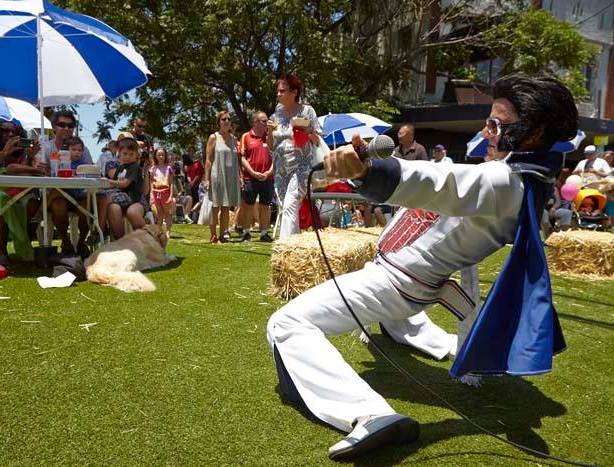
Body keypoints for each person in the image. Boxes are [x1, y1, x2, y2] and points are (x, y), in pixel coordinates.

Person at [266, 74, 576, 460]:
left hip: (396, 283)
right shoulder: (519, 180)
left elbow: (438, 182)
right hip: (403, 281)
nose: (485, 130)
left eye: (495, 124)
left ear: (534, 132)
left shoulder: (506, 183)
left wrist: (368, 172)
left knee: (286, 323)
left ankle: (370, 414)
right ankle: (410, 335)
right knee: (395, 327)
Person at [0, 121, 43, 266]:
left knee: (34, 203)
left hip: (18, 190)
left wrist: (30, 156)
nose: (10, 134)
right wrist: (4, 153)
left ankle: (25, 243)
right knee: (1, 201)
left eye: (14, 132)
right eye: (4, 131)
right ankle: (2, 252)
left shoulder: (21, 150)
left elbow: (21, 172)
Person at [267, 73, 322, 239]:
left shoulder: (307, 111)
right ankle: (293, 245)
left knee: (291, 204)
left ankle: (284, 246)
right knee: (287, 207)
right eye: (278, 91)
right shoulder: (276, 115)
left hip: (302, 166)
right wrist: (269, 132)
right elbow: (271, 146)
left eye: (282, 91)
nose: (278, 94)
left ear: (294, 92)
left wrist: (307, 130)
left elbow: (318, 140)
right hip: (281, 169)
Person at [42, 110, 92, 254]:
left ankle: (81, 242)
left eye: (70, 126)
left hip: (78, 194)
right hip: (57, 195)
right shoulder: (46, 148)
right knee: (58, 204)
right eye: (62, 124)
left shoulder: (82, 149)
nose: (66, 128)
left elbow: (91, 172)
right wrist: (38, 165)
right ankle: (66, 242)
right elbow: (37, 166)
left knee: (87, 206)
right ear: (54, 127)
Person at [203, 110, 240, 243]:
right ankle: (213, 235)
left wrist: (240, 177)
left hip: (231, 176)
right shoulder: (214, 137)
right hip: (217, 175)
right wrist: (206, 178)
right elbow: (208, 159)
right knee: (215, 206)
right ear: (218, 122)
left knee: (226, 207)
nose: (226, 122)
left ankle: (223, 235)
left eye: (229, 119)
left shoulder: (234, 139)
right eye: (223, 119)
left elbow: (238, 160)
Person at [99, 137, 146, 239]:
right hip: (122, 196)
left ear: (136, 155)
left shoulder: (134, 167)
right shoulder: (121, 167)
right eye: (125, 154)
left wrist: (108, 181)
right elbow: (115, 183)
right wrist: (102, 184)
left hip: (131, 197)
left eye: (131, 154)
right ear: (119, 153)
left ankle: (100, 229)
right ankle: (118, 239)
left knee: (106, 199)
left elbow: (124, 184)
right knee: (102, 197)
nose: (127, 157)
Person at [240, 111, 275, 242]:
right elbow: (242, 158)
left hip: (268, 177)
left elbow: (275, 156)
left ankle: (264, 233)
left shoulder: (270, 136)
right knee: (248, 205)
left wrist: (269, 172)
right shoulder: (246, 136)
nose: (267, 123)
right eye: (264, 121)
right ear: (255, 122)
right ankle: (246, 232)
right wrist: (253, 172)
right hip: (251, 178)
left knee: (265, 206)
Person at [150, 147, 174, 238]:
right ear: (155, 156)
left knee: (167, 213)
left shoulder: (168, 168)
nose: (161, 156)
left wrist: (171, 195)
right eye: (159, 155)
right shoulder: (153, 168)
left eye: (163, 155)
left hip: (165, 192)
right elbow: (151, 182)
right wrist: (151, 195)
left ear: (165, 156)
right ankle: (159, 231)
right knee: (159, 213)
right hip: (156, 192)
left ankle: (168, 231)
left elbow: (171, 183)